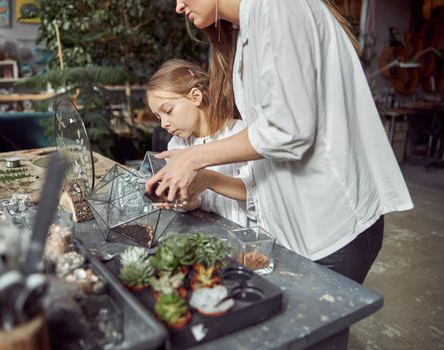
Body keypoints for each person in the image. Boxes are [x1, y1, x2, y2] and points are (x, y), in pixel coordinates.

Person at [146, 0, 414, 284]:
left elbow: (288, 130)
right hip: (302, 227)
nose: (178, 5)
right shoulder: (251, 27)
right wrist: (207, 180)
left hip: (332, 226)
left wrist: (194, 158)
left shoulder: (277, 7)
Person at [147, 58, 254, 227]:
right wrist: (181, 200)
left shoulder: (241, 134)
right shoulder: (176, 145)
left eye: (168, 111)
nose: (163, 124)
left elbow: (256, 195)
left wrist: (210, 179)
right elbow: (195, 201)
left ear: (196, 97)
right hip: (207, 231)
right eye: (158, 117)